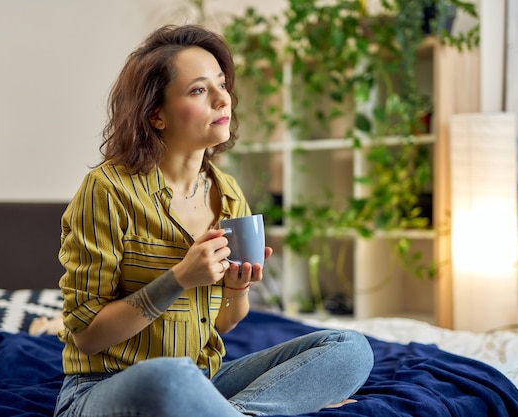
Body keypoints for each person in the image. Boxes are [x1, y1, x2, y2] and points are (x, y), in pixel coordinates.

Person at [53, 24, 374, 417]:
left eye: (222, 84)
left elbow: (223, 324)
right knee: (170, 377)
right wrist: (179, 279)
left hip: (203, 381)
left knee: (350, 349)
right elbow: (87, 336)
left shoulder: (227, 193)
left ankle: (238, 413)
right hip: (107, 387)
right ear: (156, 115)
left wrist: (238, 290)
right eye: (199, 90)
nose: (224, 99)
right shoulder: (107, 191)